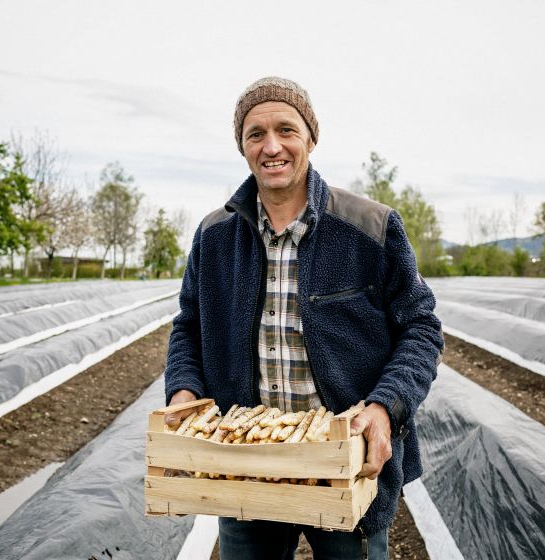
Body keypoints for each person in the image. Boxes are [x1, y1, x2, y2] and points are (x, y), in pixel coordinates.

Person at [164, 76, 443, 560]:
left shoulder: (369, 227)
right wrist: (184, 390)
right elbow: (189, 326)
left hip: (344, 462)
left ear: (311, 138)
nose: (272, 147)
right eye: (255, 134)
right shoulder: (214, 236)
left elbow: (421, 328)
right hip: (246, 466)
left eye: (286, 130)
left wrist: (385, 406)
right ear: (242, 147)